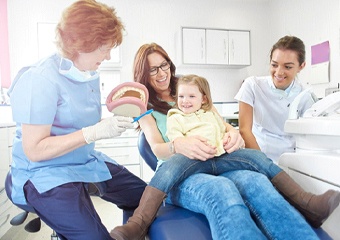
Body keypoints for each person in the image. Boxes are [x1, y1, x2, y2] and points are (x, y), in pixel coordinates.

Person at [109, 43, 328, 240]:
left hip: (219, 161)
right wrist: (177, 145)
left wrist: (234, 134)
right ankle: (138, 224)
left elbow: (222, 124)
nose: (161, 73)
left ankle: (306, 214)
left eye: (163, 65)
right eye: (152, 69)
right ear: (144, 74)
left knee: (258, 183)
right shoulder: (146, 107)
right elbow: (156, 148)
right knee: (220, 189)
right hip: (180, 175)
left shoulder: (192, 89)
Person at [7, 1, 146, 239]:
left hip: (83, 161)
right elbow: (35, 149)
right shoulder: (40, 80)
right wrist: (94, 132)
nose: (109, 55)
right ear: (80, 42)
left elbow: (74, 120)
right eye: (104, 47)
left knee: (147, 199)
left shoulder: (87, 72)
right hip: (45, 173)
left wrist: (110, 124)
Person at [235, 35, 318, 163]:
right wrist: (264, 164)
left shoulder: (305, 95)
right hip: (258, 154)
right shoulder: (252, 85)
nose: (279, 72)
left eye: (288, 67)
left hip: (291, 159)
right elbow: (244, 130)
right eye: (274, 65)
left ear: (301, 66)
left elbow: (309, 138)